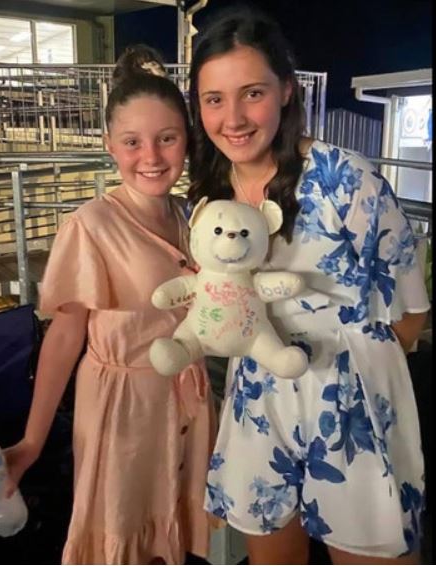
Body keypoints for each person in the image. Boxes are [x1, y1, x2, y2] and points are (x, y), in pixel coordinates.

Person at [188, 7, 430, 565]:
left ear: (286, 91)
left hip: (353, 403)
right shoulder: (211, 195)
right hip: (259, 397)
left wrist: (352, 372)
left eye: (252, 93)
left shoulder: (346, 178)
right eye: (214, 99)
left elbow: (410, 313)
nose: (233, 118)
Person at [4, 70, 216, 564]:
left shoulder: (192, 216)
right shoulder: (91, 225)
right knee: (121, 536)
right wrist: (32, 442)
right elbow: (64, 336)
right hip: (123, 408)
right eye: (132, 141)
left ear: (186, 139)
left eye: (167, 138)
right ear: (110, 146)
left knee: (175, 536)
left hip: (187, 398)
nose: (151, 156)